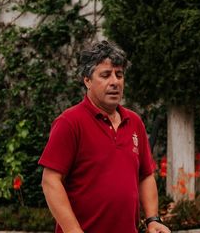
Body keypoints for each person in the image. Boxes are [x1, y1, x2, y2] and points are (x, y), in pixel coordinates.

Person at [39, 40, 170, 233]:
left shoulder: (134, 122)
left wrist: (152, 219)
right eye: (106, 75)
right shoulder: (70, 122)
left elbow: (145, 175)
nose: (115, 82)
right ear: (87, 80)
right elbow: (50, 181)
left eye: (119, 75)